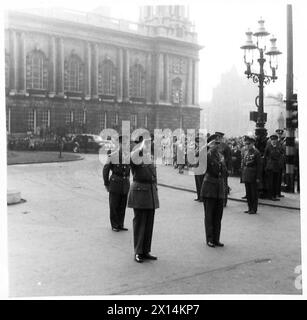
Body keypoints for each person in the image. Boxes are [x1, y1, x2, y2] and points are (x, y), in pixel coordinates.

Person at [128, 135, 159, 263]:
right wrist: (141, 145)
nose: (148, 145)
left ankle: (146, 250)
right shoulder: (135, 156)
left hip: (150, 193)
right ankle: (138, 251)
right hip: (140, 192)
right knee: (140, 224)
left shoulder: (149, 157)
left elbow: (154, 175)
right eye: (146, 143)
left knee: (148, 224)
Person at [200, 134, 227, 248]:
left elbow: (224, 171)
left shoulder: (220, 156)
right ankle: (210, 239)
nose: (218, 145)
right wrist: (205, 147)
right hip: (209, 188)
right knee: (209, 215)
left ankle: (216, 238)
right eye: (215, 143)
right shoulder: (206, 155)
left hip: (219, 188)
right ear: (210, 144)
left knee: (218, 215)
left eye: (218, 143)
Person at [103, 135, 131, 232]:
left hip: (125, 183)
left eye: (126, 144)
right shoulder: (113, 155)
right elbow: (105, 169)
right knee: (114, 205)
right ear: (119, 144)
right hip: (115, 183)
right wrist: (106, 184)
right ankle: (114, 225)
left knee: (122, 205)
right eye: (123, 144)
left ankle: (120, 224)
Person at [241, 136, 261, 214]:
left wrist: (258, 177)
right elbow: (243, 164)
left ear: (252, 143)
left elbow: (259, 166)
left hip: (253, 176)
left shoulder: (256, 152)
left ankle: (254, 209)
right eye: (246, 144)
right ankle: (249, 208)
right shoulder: (245, 152)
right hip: (246, 175)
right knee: (248, 193)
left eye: (249, 144)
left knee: (254, 194)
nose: (247, 145)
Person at [263, 134, 283, 201]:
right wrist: (266, 166)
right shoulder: (268, 147)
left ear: (277, 140)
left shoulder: (279, 147)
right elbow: (265, 157)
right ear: (270, 141)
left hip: (277, 167)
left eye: (275, 140)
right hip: (270, 167)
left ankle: (274, 195)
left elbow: (281, 155)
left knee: (275, 182)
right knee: (270, 182)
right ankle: (270, 196)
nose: (273, 141)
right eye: (272, 140)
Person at [215, 132, 231, 206]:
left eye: (218, 137)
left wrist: (229, 169)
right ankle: (218, 200)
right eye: (216, 137)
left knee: (223, 185)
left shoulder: (225, 147)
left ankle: (224, 201)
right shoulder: (214, 146)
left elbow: (229, 159)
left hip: (223, 169)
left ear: (221, 137)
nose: (217, 138)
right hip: (215, 169)